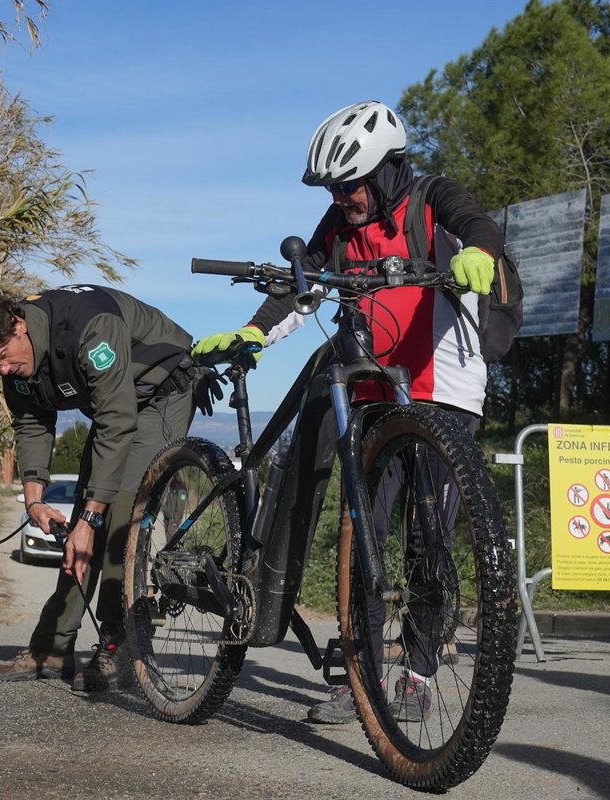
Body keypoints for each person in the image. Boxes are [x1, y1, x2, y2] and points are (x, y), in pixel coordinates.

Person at [192, 100, 504, 724]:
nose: (341, 196)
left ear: (388, 169)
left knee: (430, 539)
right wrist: (254, 333)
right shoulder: (336, 226)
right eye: (333, 187)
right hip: (370, 393)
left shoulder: (429, 196)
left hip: (442, 387)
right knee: (366, 534)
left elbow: (479, 224)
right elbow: (297, 289)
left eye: (350, 183)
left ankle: (416, 673)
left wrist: (478, 254)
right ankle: (359, 673)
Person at [0, 285, 199, 690]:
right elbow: (31, 421)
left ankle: (120, 645)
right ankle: (52, 647)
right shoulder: (15, 357)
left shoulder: (89, 325)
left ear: (17, 326)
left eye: (1, 359)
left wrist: (90, 516)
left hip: (161, 392)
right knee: (80, 535)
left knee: (119, 516)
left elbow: (117, 420)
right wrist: (35, 500)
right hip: (116, 406)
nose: (1, 371)